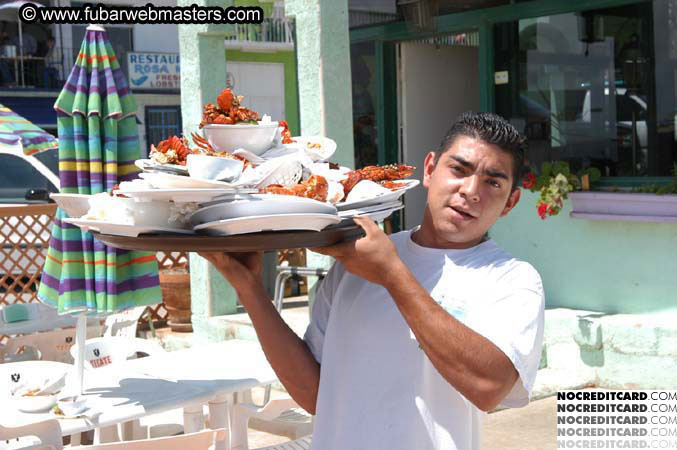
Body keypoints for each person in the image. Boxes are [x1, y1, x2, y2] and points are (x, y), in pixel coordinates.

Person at [200, 112, 545, 450]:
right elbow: (315, 395)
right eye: (459, 169)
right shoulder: (359, 257)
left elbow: (489, 387)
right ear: (429, 169)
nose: (471, 191)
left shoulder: (512, 280)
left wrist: (392, 274)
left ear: (510, 202)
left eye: (493, 182)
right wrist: (249, 289)